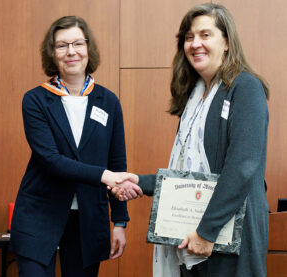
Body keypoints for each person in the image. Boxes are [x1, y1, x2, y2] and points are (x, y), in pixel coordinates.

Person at [112, 3, 269, 277]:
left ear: (227, 43)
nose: (195, 43)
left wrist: (207, 230)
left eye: (205, 35)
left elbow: (242, 166)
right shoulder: (195, 99)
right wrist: (143, 182)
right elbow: (191, 175)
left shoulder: (245, 88)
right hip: (192, 237)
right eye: (188, 37)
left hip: (228, 237)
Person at [10, 16, 142, 277]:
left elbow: (117, 163)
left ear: (88, 48)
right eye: (62, 45)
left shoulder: (108, 101)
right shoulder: (36, 100)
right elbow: (50, 159)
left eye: (77, 43)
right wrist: (104, 175)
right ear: (52, 53)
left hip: (88, 218)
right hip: (39, 215)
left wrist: (120, 222)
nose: (71, 51)